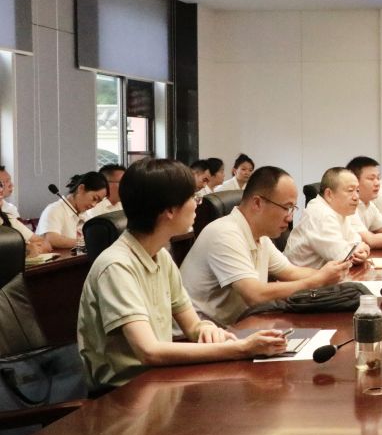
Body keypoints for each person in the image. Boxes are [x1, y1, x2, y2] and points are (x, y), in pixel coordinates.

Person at [77, 159, 287, 392]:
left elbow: (193, 326)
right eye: (192, 197)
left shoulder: (161, 256)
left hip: (159, 381)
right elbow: (149, 351)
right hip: (123, 394)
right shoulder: (116, 266)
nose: (197, 204)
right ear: (169, 210)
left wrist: (206, 329)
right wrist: (243, 348)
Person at [180, 166, 350, 326]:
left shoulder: (261, 237)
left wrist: (333, 275)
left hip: (235, 328)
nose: (290, 217)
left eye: (293, 208)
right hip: (197, 337)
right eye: (286, 207)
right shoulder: (225, 233)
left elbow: (290, 272)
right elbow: (255, 294)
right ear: (257, 203)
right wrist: (317, 280)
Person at [285, 167, 371, 268]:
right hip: (298, 276)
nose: (356, 197)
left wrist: (362, 251)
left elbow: (356, 243)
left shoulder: (340, 210)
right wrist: (360, 250)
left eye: (358, 191)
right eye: (350, 190)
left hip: (319, 275)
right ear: (329, 194)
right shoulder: (320, 213)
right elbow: (343, 258)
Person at [38, 171, 108, 250]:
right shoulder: (54, 209)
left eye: (98, 202)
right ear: (81, 189)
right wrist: (86, 243)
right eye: (94, 198)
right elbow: (52, 239)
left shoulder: (85, 214)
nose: (94, 205)